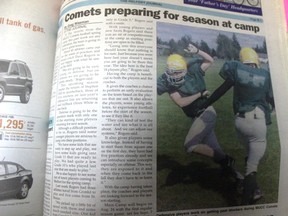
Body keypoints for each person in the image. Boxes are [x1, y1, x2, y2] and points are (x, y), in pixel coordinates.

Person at [197, 47, 275, 205]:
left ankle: (254, 189)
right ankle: (246, 203)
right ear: (256, 61)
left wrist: (205, 104)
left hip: (240, 122)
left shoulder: (237, 69)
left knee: (249, 155)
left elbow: (221, 90)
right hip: (257, 121)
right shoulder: (265, 75)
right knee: (252, 167)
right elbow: (272, 100)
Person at [157, 44, 236, 175]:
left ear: (184, 70)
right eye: (171, 72)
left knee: (190, 145)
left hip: (206, 112)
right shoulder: (168, 84)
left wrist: (198, 51)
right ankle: (240, 178)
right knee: (218, 153)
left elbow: (210, 60)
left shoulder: (192, 70)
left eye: (177, 72)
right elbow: (181, 102)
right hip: (196, 117)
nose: (174, 75)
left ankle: (228, 160)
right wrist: (199, 94)